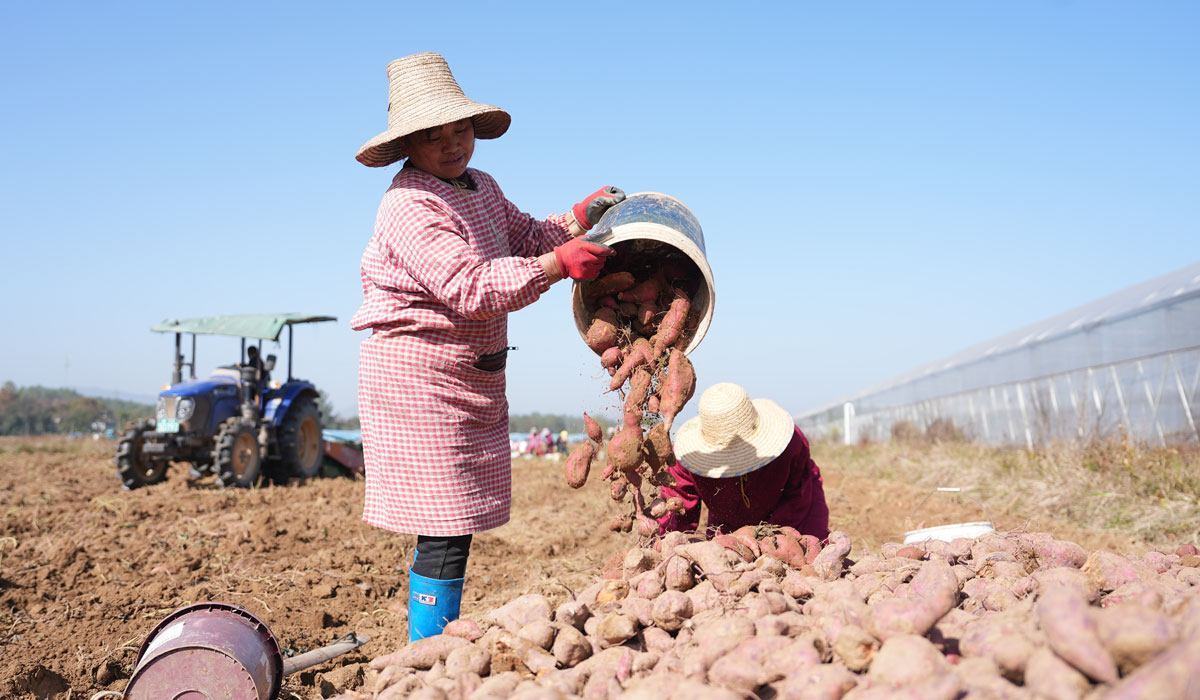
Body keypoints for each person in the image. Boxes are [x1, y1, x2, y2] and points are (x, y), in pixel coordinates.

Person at [351, 52, 624, 641]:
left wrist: (576, 220)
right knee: (444, 525)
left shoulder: (480, 186)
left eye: (461, 130)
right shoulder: (409, 204)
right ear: (407, 144)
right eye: (434, 136)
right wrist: (557, 265)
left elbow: (524, 235)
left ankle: (433, 644)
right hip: (420, 378)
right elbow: (468, 286)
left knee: (453, 525)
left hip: (468, 375)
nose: (452, 145)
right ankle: (427, 653)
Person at [656, 382, 830, 540]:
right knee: (726, 562)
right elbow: (676, 514)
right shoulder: (684, 461)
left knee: (810, 552)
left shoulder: (791, 443)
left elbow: (798, 496)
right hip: (728, 516)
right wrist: (667, 548)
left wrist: (766, 536)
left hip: (795, 508)